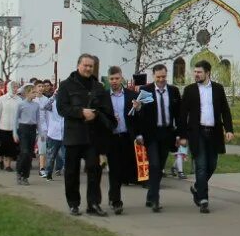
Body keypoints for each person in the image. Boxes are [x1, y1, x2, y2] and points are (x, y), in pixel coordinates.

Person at [56, 54, 115, 216]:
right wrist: (81, 112)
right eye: (85, 65)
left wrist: (96, 114)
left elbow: (106, 110)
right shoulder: (66, 86)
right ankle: (73, 203)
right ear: (78, 65)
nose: (88, 68)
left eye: (91, 66)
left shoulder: (98, 87)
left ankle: (94, 203)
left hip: (92, 136)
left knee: (94, 170)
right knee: (72, 172)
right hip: (74, 135)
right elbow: (62, 108)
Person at [180, 59, 234, 214]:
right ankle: (203, 199)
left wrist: (229, 129)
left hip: (214, 133)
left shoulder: (217, 89)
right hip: (197, 133)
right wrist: (182, 135)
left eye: (199, 72)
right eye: (195, 72)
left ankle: (197, 187)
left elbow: (225, 110)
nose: (196, 75)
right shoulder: (190, 90)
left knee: (212, 164)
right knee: (201, 165)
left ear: (208, 73)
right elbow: (183, 114)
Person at [139, 63, 181, 212]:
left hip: (167, 134)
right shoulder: (146, 91)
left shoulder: (174, 91)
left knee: (160, 167)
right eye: (158, 77)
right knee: (154, 165)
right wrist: (139, 134)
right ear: (153, 76)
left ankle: (150, 196)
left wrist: (179, 134)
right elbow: (141, 115)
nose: (161, 79)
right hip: (151, 135)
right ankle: (155, 200)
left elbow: (178, 115)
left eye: (164, 76)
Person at [104, 67, 140, 214]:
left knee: (124, 169)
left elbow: (138, 118)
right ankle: (116, 199)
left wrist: (138, 109)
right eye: (111, 79)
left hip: (126, 137)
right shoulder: (104, 97)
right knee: (114, 169)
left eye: (117, 78)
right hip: (111, 137)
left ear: (122, 78)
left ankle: (113, 194)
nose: (114, 81)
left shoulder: (132, 95)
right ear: (108, 79)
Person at [13, 83, 41, 186]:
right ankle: (19, 172)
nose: (35, 94)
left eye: (35, 92)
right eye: (33, 92)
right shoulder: (21, 104)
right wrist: (15, 133)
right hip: (23, 128)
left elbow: (38, 120)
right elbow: (15, 119)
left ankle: (25, 176)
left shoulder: (36, 105)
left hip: (32, 129)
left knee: (29, 154)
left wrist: (40, 133)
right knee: (24, 152)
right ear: (27, 93)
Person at [39, 81, 65, 180]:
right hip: (53, 133)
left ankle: (67, 174)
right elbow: (45, 107)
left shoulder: (68, 101)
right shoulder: (52, 101)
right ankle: (48, 174)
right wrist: (54, 96)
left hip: (65, 133)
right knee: (51, 156)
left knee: (66, 156)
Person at [0, 82, 19, 171]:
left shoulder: (19, 100)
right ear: (9, 88)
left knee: (11, 147)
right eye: (13, 87)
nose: (15, 89)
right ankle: (0, 158)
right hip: (3, 127)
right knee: (3, 147)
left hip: (14, 128)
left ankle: (8, 165)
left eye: (16, 87)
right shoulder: (2, 99)